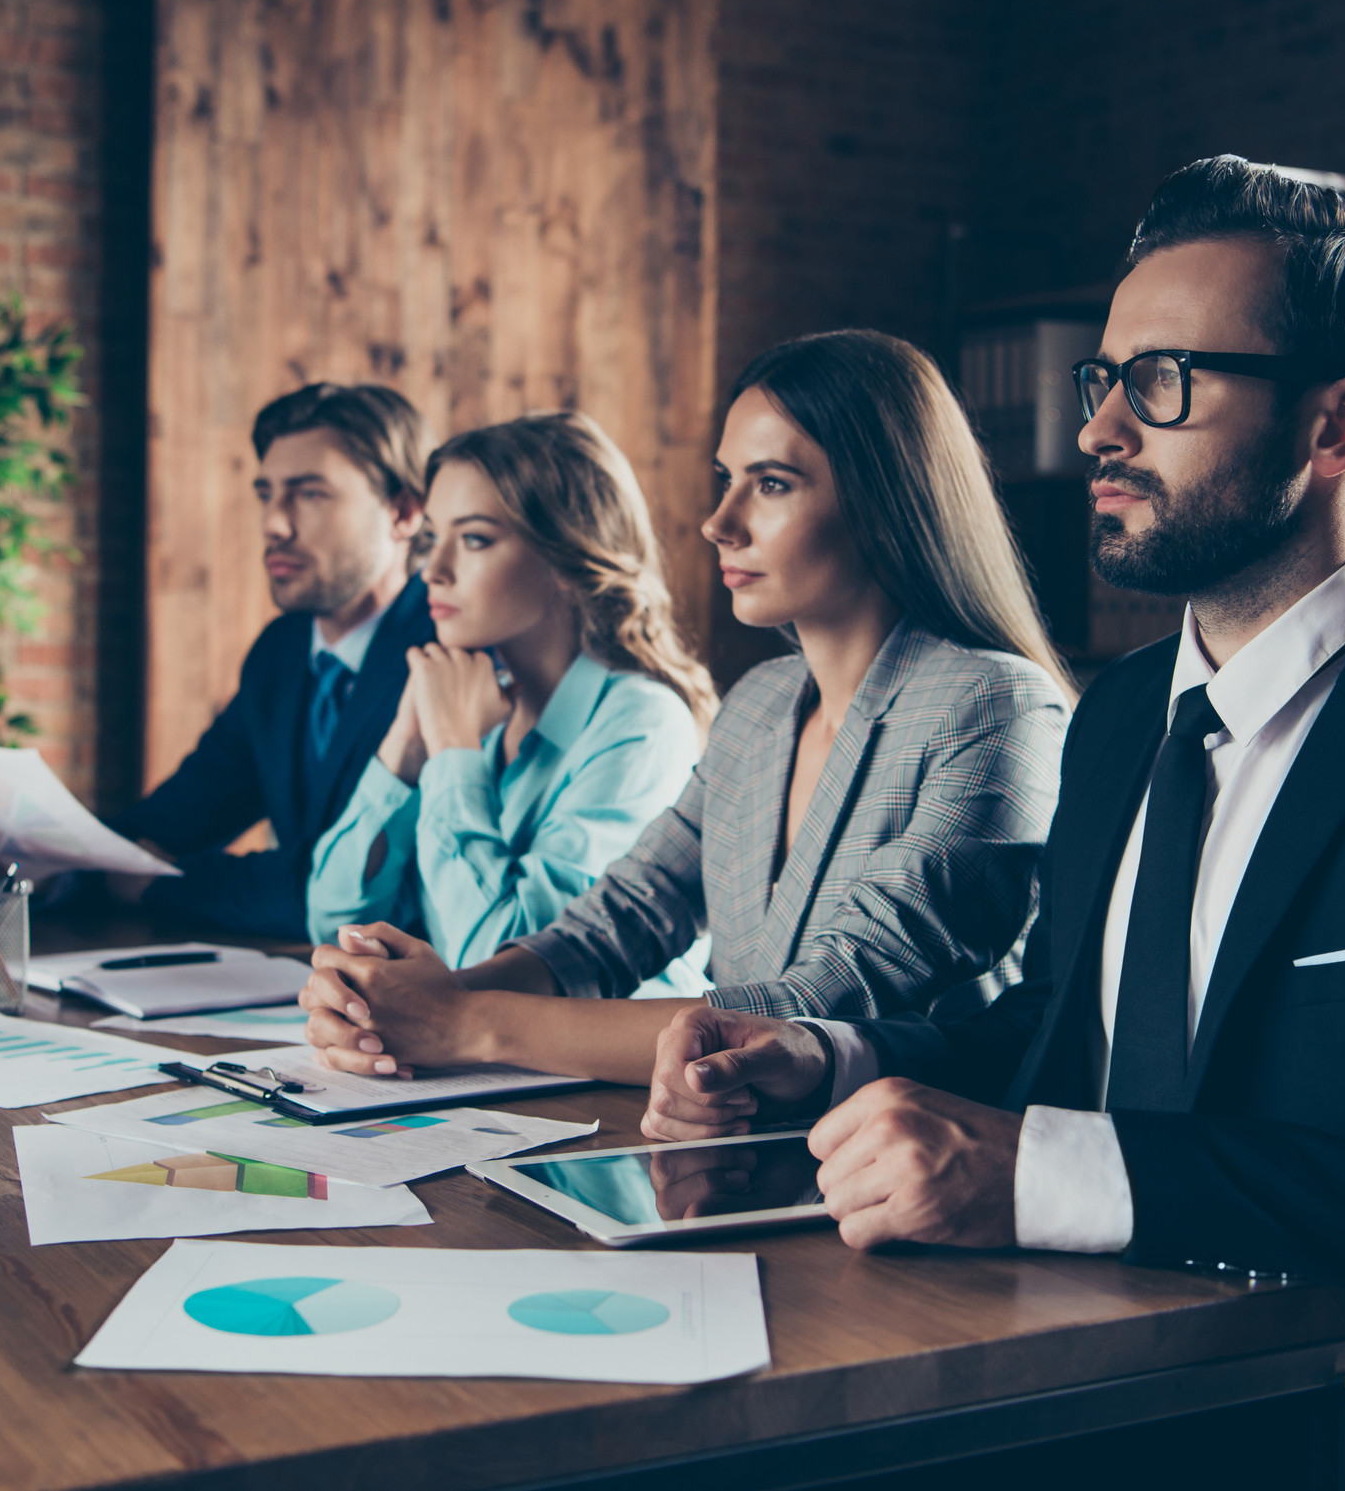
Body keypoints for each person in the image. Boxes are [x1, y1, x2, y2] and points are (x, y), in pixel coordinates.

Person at [641, 158, 1345, 1489]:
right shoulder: (1112, 722)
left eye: (1159, 383)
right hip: (1083, 1399)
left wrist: (1045, 1176)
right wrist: (826, 1055)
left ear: (1337, 425)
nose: (1098, 430)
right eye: (1099, 381)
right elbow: (1054, 1036)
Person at [300, 330, 1074, 1086]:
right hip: (730, 1152)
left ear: (887, 498)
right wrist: (406, 1003)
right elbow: (613, 926)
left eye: (770, 483)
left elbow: (816, 1006)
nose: (718, 522)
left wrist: (463, 1023)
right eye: (725, 478)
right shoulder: (760, 705)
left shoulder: (994, 706)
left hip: (910, 1182)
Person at [304, 411, 715, 973]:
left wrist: (452, 751)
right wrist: (405, 747)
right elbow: (332, 924)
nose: (432, 570)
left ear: (569, 560)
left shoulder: (643, 724)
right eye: (431, 539)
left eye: (474, 539)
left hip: (613, 1061)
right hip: (476, 1058)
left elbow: (510, 966)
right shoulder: (473, 700)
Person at [99, 383, 436, 938]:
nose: (274, 524)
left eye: (309, 495)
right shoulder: (280, 653)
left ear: (402, 512)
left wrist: (161, 881)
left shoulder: (446, 655)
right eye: (266, 494)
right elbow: (179, 815)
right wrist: (48, 855)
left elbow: (372, 887)